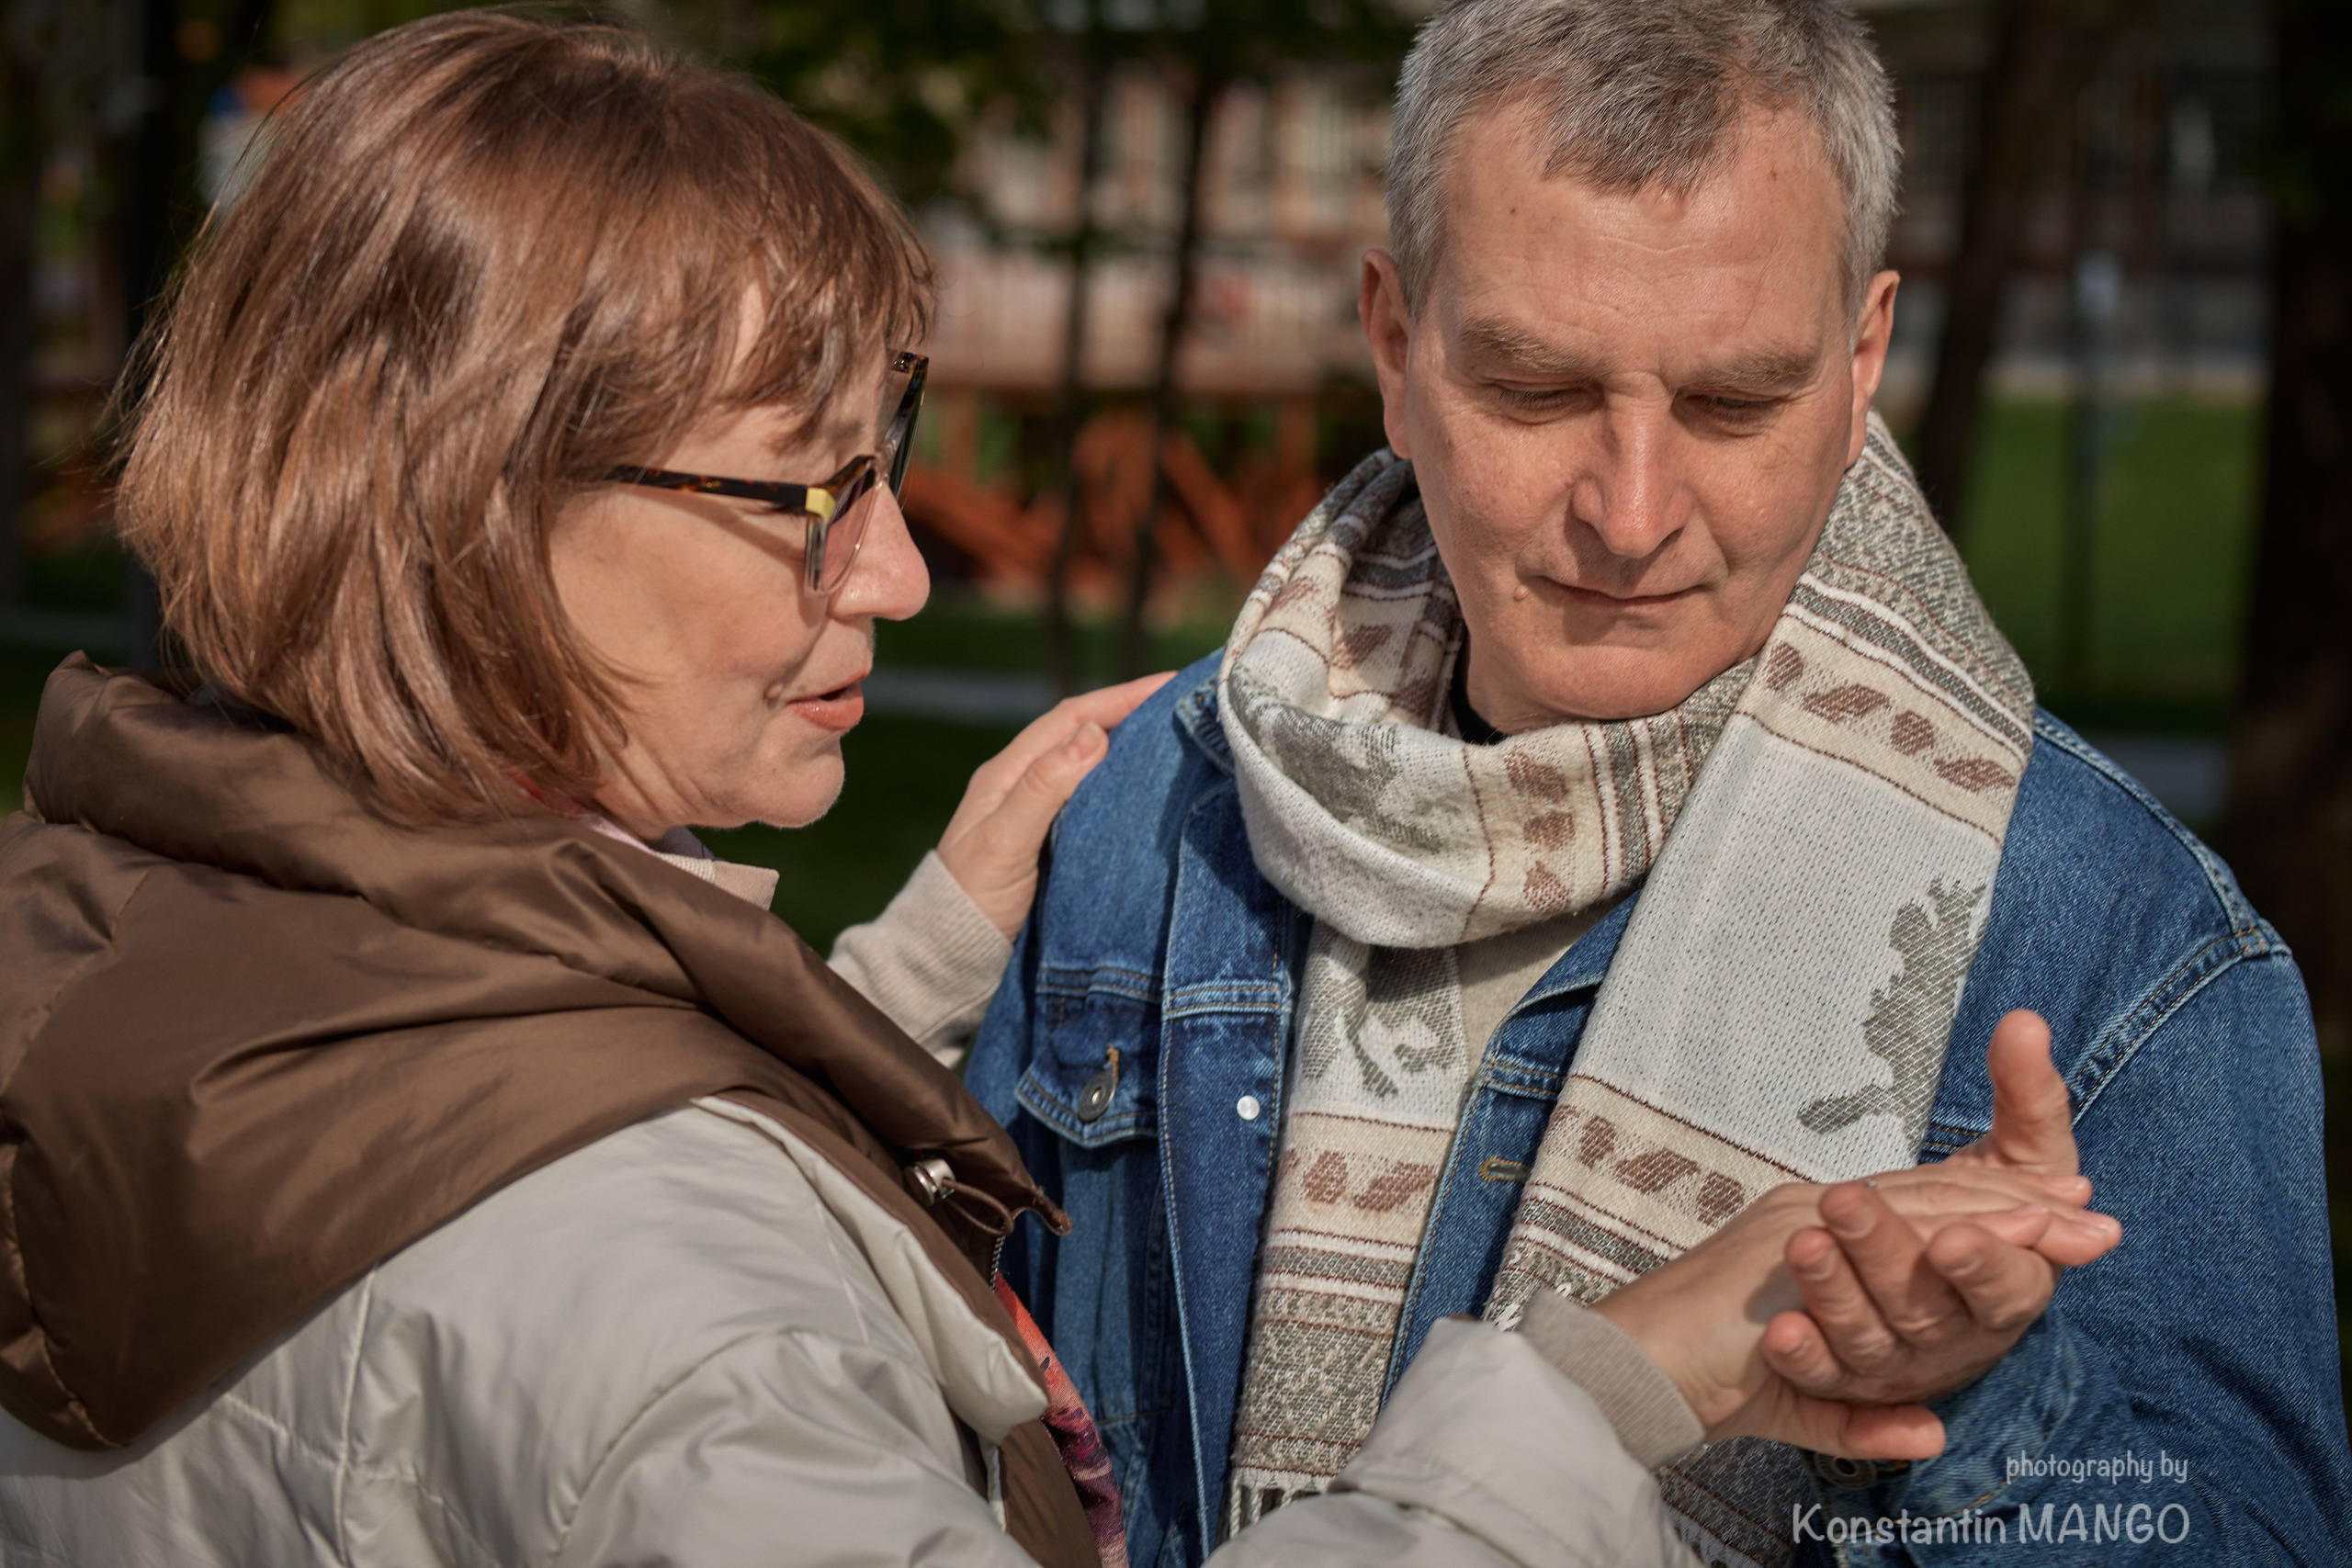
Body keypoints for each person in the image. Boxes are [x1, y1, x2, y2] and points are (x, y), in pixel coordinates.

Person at [0, 12, 2112, 1568]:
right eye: (801, 494)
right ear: (468, 511)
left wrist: (861, 1002)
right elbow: (600, 1317)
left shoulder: (118, 938)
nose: (897, 575)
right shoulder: (679, 1318)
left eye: (888, 467)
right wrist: (1606, 1381)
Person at [966, 1, 2352, 1564]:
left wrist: (1982, 1403)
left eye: (1733, 404)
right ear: (1396, 347)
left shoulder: (2132, 955)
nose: (1630, 517)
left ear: (1863, 363)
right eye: (1539, 392)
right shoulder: (1147, 814)